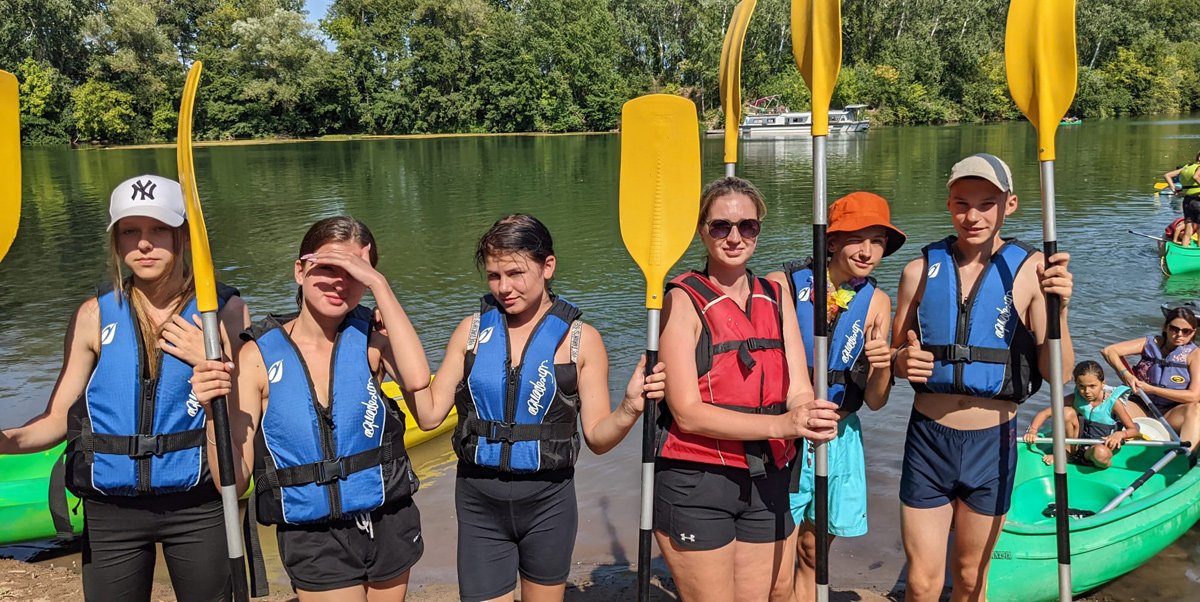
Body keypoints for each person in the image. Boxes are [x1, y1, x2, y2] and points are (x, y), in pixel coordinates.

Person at [0, 175, 248, 601]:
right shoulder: (94, 314)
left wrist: (211, 361)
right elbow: (58, 419)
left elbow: (243, 414)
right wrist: (8, 439)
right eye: (130, 232)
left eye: (158, 230)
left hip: (198, 501)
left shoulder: (221, 312)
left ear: (183, 237)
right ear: (116, 243)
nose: (144, 244)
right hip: (111, 508)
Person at [399, 214, 666, 602]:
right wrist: (395, 353)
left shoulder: (580, 340)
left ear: (548, 266)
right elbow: (427, 416)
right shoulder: (471, 332)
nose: (504, 287)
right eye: (493, 275)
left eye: (515, 273)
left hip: (549, 503)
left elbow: (598, 438)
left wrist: (630, 406)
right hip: (478, 501)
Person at [190, 216, 431, 601]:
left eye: (355, 272)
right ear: (300, 271)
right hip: (313, 533)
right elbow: (231, 478)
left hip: (387, 518)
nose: (340, 282)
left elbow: (419, 381)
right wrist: (210, 414)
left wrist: (381, 287)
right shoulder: (256, 357)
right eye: (328, 268)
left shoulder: (374, 339)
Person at [892, 153, 1074, 601]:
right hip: (928, 441)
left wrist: (1061, 309)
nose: (972, 216)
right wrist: (900, 361)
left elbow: (1061, 374)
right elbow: (897, 354)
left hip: (992, 443)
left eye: (986, 203)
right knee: (920, 583)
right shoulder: (918, 270)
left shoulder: (1032, 271)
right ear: (949, 204)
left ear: (1009, 204)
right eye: (960, 203)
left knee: (972, 579)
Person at [654, 176, 840, 601]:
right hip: (698, 480)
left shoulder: (776, 295)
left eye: (747, 227)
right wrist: (783, 425)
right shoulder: (682, 299)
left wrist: (807, 412)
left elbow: (798, 385)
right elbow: (686, 411)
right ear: (702, 230)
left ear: (758, 229)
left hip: (767, 477)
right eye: (721, 226)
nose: (734, 237)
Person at [766, 191, 904, 602]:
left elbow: (876, 401)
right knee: (775, 563)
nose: (867, 251)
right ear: (830, 242)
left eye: (877, 240)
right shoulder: (783, 284)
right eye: (856, 238)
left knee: (813, 555)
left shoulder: (878, 301)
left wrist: (883, 363)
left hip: (841, 435)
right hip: (786, 434)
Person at [1101, 306, 1200, 451]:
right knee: (1103, 397)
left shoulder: (1195, 355)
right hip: (1141, 405)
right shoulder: (1150, 343)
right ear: (1165, 327)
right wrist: (1126, 375)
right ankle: (1091, 446)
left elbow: (1194, 396)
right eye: (1174, 329)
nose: (1179, 334)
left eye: (1186, 331)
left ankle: (1186, 455)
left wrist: (1152, 389)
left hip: (1171, 413)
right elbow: (1109, 351)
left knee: (1196, 409)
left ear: (1193, 333)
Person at [1022, 361, 1139, 469]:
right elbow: (1044, 413)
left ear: (1103, 383)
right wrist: (1032, 431)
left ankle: (1094, 461)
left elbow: (1133, 429)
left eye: (1092, 386)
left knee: (1100, 454)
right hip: (1077, 445)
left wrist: (1119, 435)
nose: (1087, 391)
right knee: (1066, 412)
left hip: (1098, 447)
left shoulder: (1113, 403)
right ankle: (1067, 454)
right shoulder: (1075, 398)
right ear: (1076, 384)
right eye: (1081, 387)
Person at [1165, 152, 1200, 246]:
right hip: (1197, 201)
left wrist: (1174, 189)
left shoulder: (1186, 167)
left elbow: (1167, 175)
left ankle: (1184, 249)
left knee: (1188, 230)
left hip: (1187, 201)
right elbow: (1196, 177)